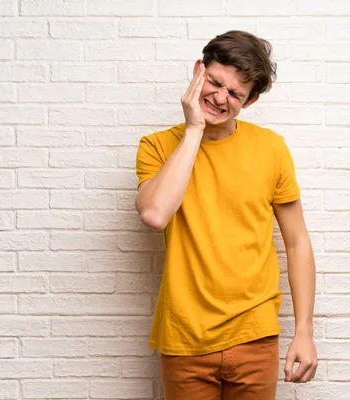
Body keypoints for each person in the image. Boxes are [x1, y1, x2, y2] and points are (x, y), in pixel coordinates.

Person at [135, 30, 318, 400]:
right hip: (184, 337)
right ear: (198, 70)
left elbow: (297, 243)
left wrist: (304, 332)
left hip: (255, 334)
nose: (220, 98)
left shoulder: (271, 149)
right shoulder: (156, 147)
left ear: (248, 103)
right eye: (215, 82)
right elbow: (155, 214)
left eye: (235, 94)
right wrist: (193, 130)